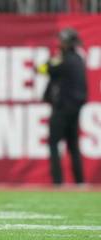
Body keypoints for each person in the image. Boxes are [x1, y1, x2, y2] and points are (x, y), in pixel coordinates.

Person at [38, 27, 87, 185]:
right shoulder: (79, 58)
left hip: (62, 108)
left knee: (54, 143)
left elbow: (45, 69)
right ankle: (80, 182)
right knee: (73, 145)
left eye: (62, 41)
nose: (59, 43)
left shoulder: (63, 60)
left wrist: (47, 64)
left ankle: (58, 182)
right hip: (75, 108)